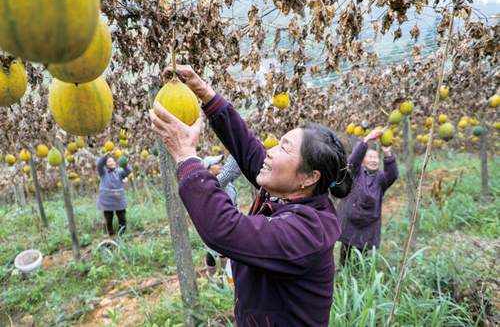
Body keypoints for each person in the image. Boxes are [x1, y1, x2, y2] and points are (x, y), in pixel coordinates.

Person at [149, 65, 352, 326]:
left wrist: (186, 156)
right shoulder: (289, 189)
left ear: (309, 177)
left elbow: (224, 229)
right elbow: (247, 148)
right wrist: (203, 91)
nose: (270, 151)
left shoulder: (309, 231)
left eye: (284, 148)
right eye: (278, 142)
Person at [336, 130, 399, 267]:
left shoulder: (381, 178)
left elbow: (393, 174)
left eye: (376, 157)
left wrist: (387, 152)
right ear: (362, 161)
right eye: (369, 157)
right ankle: (343, 271)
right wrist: (366, 140)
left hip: (369, 222)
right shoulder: (355, 173)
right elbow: (353, 159)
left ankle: (359, 273)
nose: (373, 160)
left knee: (362, 251)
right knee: (346, 249)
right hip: (350, 219)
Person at [203, 154, 242, 284]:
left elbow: (236, 170)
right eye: (217, 163)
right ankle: (212, 275)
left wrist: (246, 155)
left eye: (221, 162)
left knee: (225, 251)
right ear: (208, 170)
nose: (221, 165)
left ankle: (226, 275)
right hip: (217, 222)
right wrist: (236, 146)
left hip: (229, 220)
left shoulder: (223, 180)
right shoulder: (214, 183)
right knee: (212, 252)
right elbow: (228, 171)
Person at [96, 151, 133, 237]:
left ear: (116, 163)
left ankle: (122, 233)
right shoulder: (103, 172)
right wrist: (104, 156)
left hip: (118, 198)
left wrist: (122, 159)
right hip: (106, 199)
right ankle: (109, 233)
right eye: (109, 161)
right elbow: (98, 165)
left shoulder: (120, 172)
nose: (112, 162)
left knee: (122, 217)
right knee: (108, 218)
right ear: (105, 165)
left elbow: (129, 170)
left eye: (113, 161)